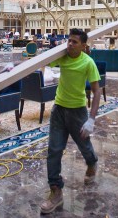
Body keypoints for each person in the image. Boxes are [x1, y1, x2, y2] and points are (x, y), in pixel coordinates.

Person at [41, 28, 101, 214]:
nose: (70, 44)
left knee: (85, 147)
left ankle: (92, 163)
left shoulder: (88, 62)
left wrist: (91, 119)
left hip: (78, 112)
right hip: (58, 110)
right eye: (69, 41)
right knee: (54, 150)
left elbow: (97, 90)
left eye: (75, 42)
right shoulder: (63, 57)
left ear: (83, 46)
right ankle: (55, 191)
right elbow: (43, 61)